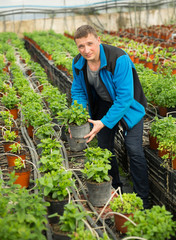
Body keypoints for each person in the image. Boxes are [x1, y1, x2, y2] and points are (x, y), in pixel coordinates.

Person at [71, 24, 149, 209]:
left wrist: (104, 122)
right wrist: (79, 118)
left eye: (89, 43)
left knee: (134, 149)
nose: (86, 50)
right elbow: (79, 92)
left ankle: (143, 200)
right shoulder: (78, 63)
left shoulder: (118, 58)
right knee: (105, 148)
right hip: (104, 105)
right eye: (81, 46)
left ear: (99, 40)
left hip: (129, 106)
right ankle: (116, 189)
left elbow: (124, 98)